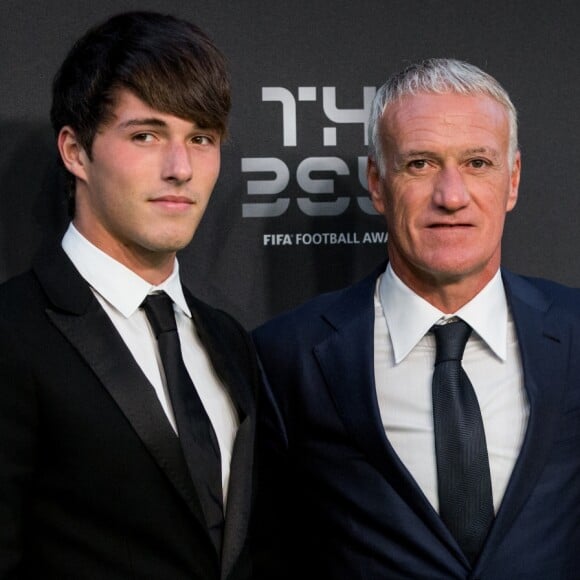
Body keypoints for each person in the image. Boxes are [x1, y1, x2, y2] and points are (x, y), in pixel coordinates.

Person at [252, 58, 580, 579]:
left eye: (478, 163)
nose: (451, 197)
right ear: (378, 183)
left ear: (512, 180)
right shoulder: (285, 355)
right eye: (421, 164)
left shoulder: (574, 331)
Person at [0, 11, 259, 580]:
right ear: (75, 151)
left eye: (202, 139)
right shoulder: (11, 332)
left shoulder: (229, 340)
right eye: (146, 135)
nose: (181, 168)